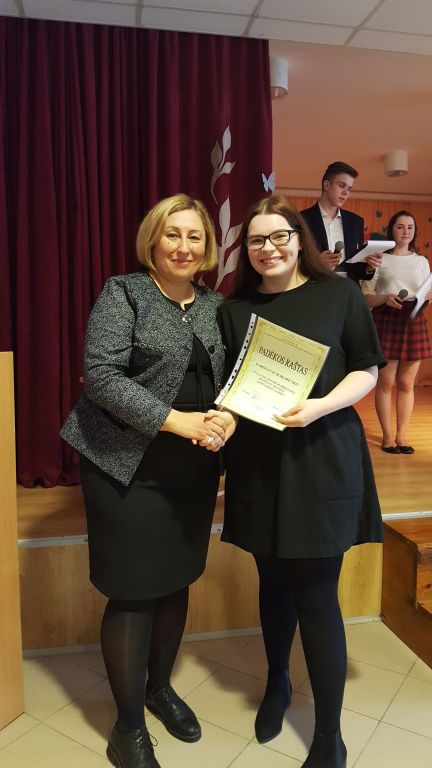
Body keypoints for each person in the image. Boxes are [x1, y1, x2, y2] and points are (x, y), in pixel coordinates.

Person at [61, 193, 235, 768]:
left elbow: (232, 377)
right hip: (124, 465)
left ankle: (159, 688)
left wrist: (226, 418)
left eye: (194, 236)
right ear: (153, 241)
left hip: (193, 469)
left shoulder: (216, 304)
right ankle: (128, 725)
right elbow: (100, 376)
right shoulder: (125, 293)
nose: (183, 246)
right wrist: (176, 420)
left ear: (207, 247)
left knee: (176, 579)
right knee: (134, 590)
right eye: (172, 234)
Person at [214, 195, 386, 768]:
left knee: (316, 593)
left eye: (279, 236)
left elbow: (366, 368)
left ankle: (329, 735)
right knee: (272, 583)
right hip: (259, 461)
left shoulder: (338, 293)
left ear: (298, 238)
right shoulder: (234, 310)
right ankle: (278, 683)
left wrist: (319, 406)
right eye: (256, 240)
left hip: (321, 454)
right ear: (246, 249)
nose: (269, 248)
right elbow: (232, 389)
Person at [362, 210, 432, 454]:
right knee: (386, 383)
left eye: (410, 227)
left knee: (406, 383)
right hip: (386, 317)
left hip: (414, 319)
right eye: (400, 226)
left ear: (414, 231)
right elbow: (366, 297)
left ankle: (402, 437)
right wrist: (384, 298)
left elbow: (425, 294)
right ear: (392, 229)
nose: (405, 231)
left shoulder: (422, 261)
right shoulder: (379, 258)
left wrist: (428, 297)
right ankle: (387, 437)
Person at [301, 161, 382, 281]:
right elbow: (292, 263)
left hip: (349, 289)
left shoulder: (356, 222)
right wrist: (316, 263)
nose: (346, 193)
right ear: (326, 185)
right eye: (341, 185)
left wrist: (369, 267)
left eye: (349, 188)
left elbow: (358, 270)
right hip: (315, 288)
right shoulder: (301, 219)